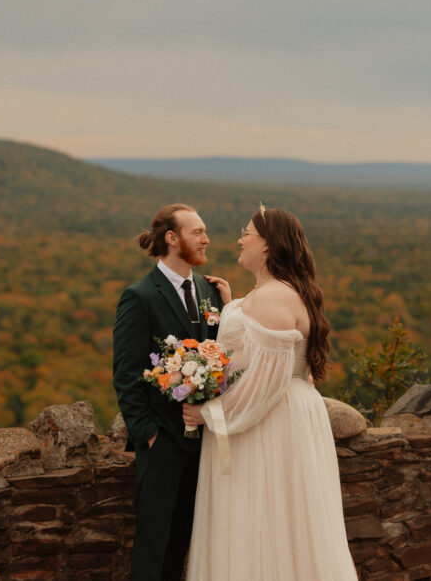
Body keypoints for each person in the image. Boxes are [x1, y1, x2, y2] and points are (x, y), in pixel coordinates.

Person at [182, 207, 358, 581]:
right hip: (285, 413)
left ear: (267, 245)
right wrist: (232, 304)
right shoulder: (275, 292)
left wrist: (209, 414)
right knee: (285, 519)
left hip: (269, 422)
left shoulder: (272, 297)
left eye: (246, 233)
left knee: (262, 517)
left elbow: (265, 383)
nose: (239, 239)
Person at [112, 203, 226, 581]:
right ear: (172, 239)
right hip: (162, 444)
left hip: (204, 440)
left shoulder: (209, 290)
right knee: (154, 545)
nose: (206, 239)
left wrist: (229, 307)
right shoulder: (140, 296)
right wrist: (149, 435)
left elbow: (222, 353)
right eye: (197, 232)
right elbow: (127, 375)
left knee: (184, 542)